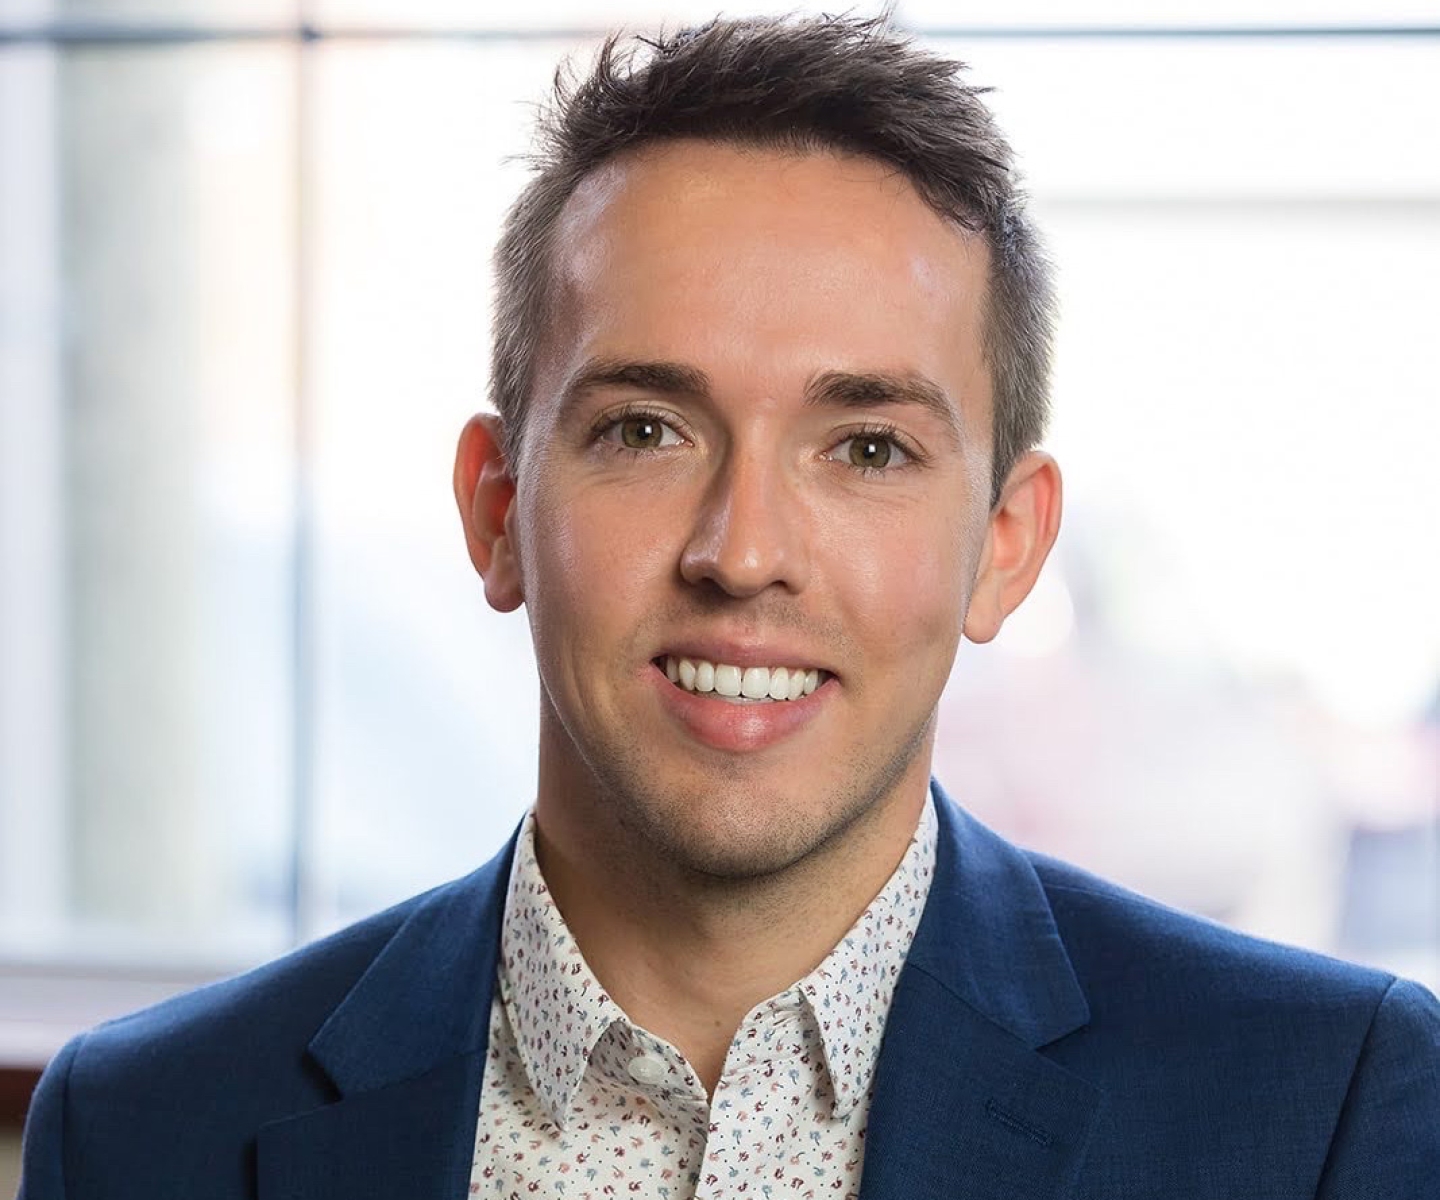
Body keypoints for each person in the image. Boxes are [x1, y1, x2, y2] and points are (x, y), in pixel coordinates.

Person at [19, 14, 1440, 1200]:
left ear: (1006, 547)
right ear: (498, 509)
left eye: (866, 448)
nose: (743, 550)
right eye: (647, 430)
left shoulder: (1325, 1109)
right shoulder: (147, 1133)